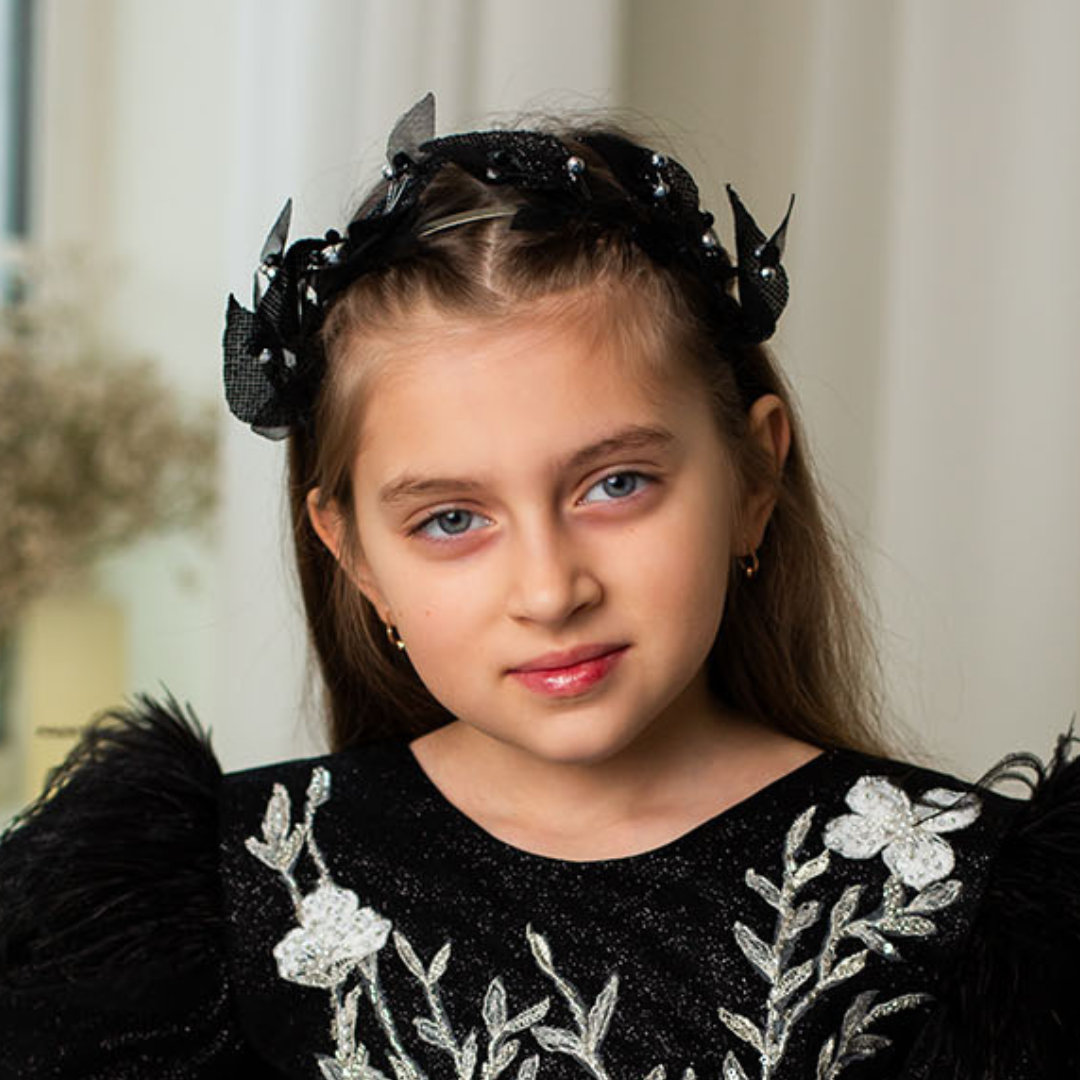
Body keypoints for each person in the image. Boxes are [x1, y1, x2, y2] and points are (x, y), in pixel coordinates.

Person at [0, 93, 1076, 1080]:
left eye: (615, 484)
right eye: (452, 519)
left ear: (754, 477)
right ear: (355, 554)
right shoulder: (214, 899)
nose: (549, 589)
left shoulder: (969, 907)